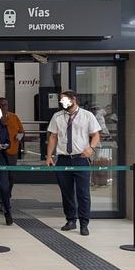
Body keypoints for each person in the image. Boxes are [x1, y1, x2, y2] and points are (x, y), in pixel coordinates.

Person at [46, 90, 101, 236]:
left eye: (65, 100)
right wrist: (49, 156)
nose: (62, 103)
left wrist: (91, 148)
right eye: (61, 100)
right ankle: (71, 219)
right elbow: (53, 136)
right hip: (63, 158)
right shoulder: (57, 116)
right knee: (67, 192)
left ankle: (84, 223)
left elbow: (95, 134)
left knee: (83, 193)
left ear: (74, 99)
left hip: (81, 158)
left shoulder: (87, 115)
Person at [0, 97, 24, 210]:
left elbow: (21, 131)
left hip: (12, 152)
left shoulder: (14, 117)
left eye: (5, 105)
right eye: (1, 105)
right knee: (1, 179)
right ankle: (3, 202)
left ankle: (7, 197)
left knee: (11, 177)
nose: (4, 107)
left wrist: (18, 138)